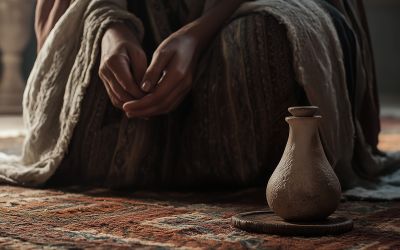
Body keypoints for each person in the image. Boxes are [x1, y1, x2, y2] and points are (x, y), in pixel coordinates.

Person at [15, 0, 393, 190]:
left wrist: (197, 35)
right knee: (85, 86)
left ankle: (173, 151)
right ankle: (194, 152)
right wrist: (110, 29)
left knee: (267, 48)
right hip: (130, 12)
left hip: (238, 12)